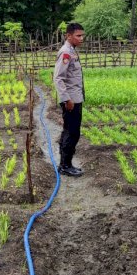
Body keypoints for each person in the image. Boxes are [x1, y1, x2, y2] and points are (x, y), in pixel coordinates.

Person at [53, 23, 85, 177]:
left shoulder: (72, 51)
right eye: (78, 35)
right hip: (71, 100)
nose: (81, 38)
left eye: (82, 35)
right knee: (72, 133)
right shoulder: (66, 52)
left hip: (75, 98)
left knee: (69, 131)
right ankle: (65, 166)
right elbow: (58, 78)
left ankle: (65, 163)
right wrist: (67, 100)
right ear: (69, 36)